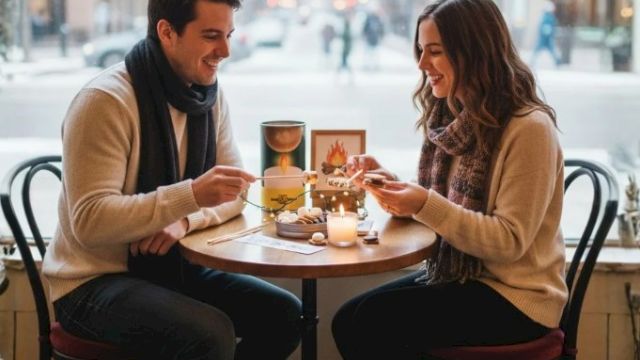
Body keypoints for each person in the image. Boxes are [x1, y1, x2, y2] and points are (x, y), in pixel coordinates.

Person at [42, 1, 301, 359]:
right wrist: (191, 195)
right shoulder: (105, 101)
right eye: (211, 36)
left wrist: (183, 219)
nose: (225, 51)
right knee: (210, 334)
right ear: (167, 32)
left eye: (228, 35)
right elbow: (89, 221)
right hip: (90, 283)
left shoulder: (208, 96)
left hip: (170, 268)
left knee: (284, 314)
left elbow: (236, 191)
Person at [332, 0, 566, 359]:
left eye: (435, 52)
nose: (422, 64)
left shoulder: (529, 128)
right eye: (421, 51)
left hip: (519, 299)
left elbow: (509, 241)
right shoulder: (456, 115)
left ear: (474, 51)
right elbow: (446, 205)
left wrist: (424, 203)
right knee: (347, 319)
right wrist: (391, 184)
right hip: (469, 280)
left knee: (369, 323)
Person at [530, 0, 560, 68]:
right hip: (545, 38)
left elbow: (547, 26)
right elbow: (545, 27)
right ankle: (557, 61)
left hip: (546, 37)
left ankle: (557, 61)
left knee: (549, 50)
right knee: (539, 50)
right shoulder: (547, 17)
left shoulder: (547, 16)